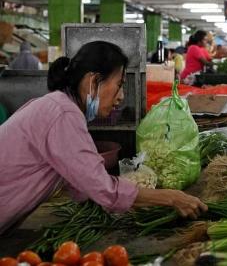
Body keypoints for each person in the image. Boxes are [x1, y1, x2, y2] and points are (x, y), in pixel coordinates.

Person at [0, 41, 207, 235]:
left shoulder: (58, 106)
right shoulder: (63, 113)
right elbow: (103, 190)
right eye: (119, 84)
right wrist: (171, 198)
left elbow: (82, 183)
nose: (121, 96)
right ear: (94, 81)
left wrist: (123, 198)